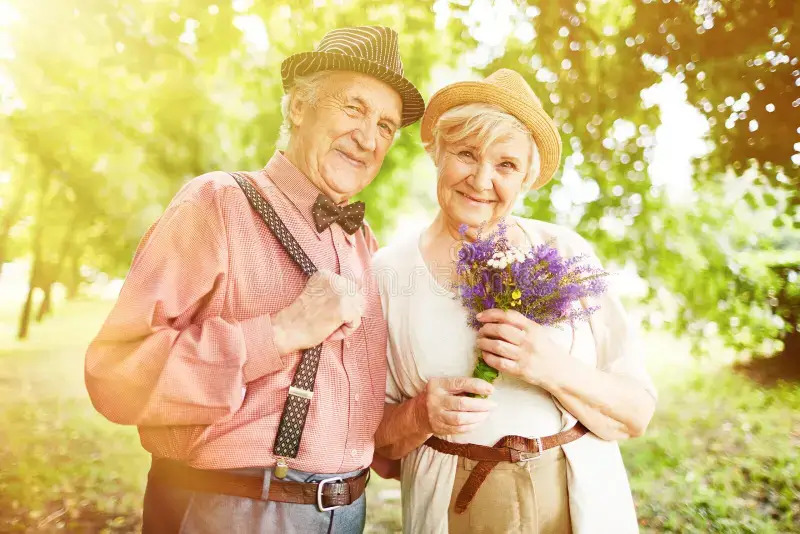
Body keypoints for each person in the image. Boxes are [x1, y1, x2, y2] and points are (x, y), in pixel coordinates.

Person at [84, 25, 424, 534]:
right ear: (298, 108)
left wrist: (427, 412)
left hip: (348, 513)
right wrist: (279, 332)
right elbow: (115, 375)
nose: (369, 137)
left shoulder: (363, 243)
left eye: (386, 125)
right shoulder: (216, 202)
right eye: (353, 108)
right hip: (234, 509)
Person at [372, 69, 657, 533]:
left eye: (505, 165)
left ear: (526, 178)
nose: (481, 180)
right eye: (466, 154)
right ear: (437, 155)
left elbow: (635, 412)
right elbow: (376, 448)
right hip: (455, 505)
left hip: (574, 495)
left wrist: (548, 364)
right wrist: (420, 414)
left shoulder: (566, 254)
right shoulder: (387, 273)